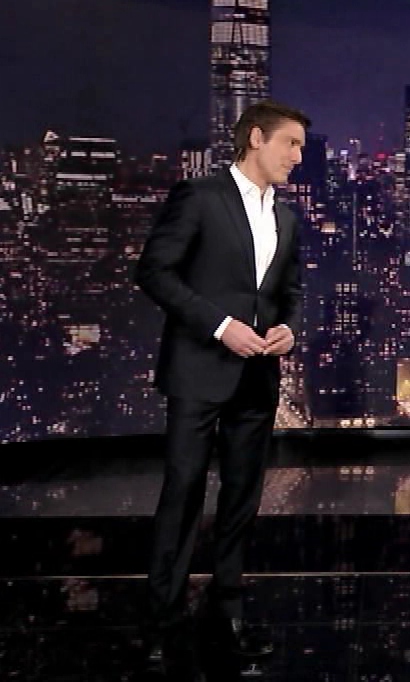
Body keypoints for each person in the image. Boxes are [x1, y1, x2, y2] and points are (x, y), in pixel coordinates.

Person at [135, 99, 308, 676]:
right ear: (256, 138)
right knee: (183, 492)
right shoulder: (200, 196)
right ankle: (162, 620)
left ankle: (227, 611)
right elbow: (154, 271)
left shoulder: (287, 217)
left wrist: (289, 329)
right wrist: (219, 325)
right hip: (198, 369)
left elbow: (291, 292)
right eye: (291, 143)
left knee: (242, 498)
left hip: (257, 377)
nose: (298, 157)